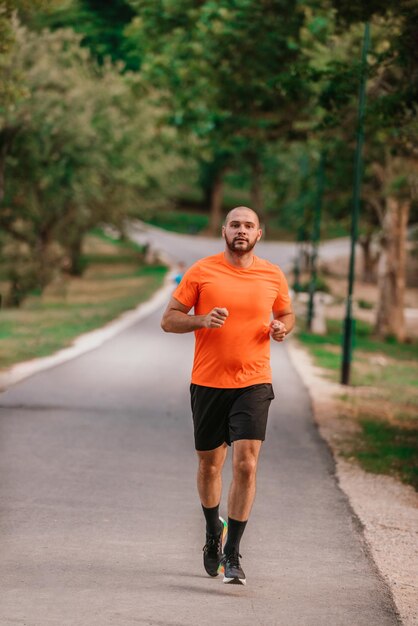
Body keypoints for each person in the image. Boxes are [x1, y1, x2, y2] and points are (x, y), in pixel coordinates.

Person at [161, 206, 295, 585]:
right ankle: (211, 533)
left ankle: (233, 553)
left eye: (248, 225)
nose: (242, 230)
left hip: (254, 381)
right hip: (208, 382)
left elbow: (286, 313)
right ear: (224, 231)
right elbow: (168, 318)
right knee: (209, 466)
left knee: (247, 465)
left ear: (259, 233)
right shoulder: (203, 271)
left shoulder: (272, 274)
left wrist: (281, 328)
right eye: (235, 224)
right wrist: (200, 320)